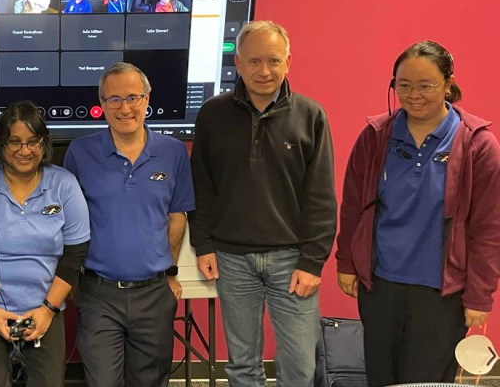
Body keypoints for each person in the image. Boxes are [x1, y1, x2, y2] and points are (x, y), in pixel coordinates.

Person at [335, 41, 500, 386]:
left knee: (425, 381)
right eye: (403, 85)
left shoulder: (478, 145)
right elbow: (353, 206)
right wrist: (346, 263)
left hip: (441, 293)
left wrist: (480, 295)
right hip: (380, 285)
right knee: (382, 376)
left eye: (426, 85)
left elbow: (488, 230)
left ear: (448, 84)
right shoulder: (376, 136)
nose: (413, 95)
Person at [189, 20, 336, 387]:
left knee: (299, 367)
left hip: (293, 260)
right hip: (232, 259)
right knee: (242, 367)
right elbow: (202, 187)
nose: (264, 71)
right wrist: (203, 244)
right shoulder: (212, 114)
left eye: (273, 61)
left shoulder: (311, 116)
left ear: (289, 62)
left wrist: (312, 260)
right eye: (254, 61)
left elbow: (321, 196)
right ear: (237, 63)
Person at [64, 62, 194, 387]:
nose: (125, 108)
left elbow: (177, 216)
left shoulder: (174, 152)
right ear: (102, 103)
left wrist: (170, 271)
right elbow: (67, 224)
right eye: (114, 99)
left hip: (153, 294)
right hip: (98, 294)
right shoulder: (80, 152)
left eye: (133, 97)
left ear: (147, 99)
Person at [0, 101, 90, 386]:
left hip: (46, 306)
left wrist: (48, 309)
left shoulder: (65, 185)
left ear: (44, 143)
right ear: (0, 144)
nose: (24, 151)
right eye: (15, 142)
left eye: (32, 142)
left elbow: (75, 254)